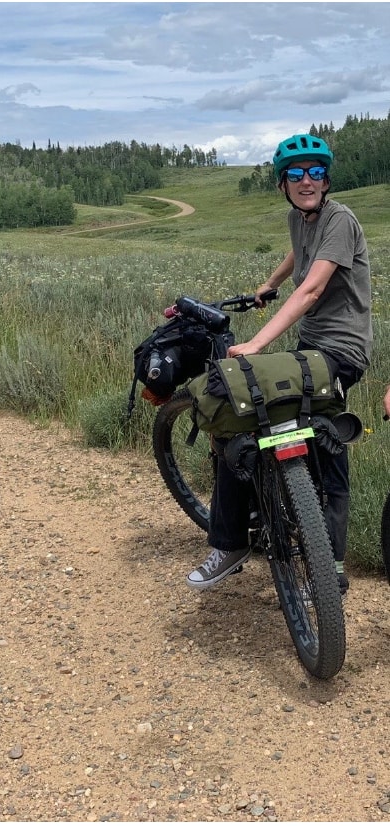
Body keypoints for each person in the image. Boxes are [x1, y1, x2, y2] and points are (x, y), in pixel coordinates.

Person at [186, 132, 372, 597]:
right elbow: (299, 252)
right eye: (295, 174)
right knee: (245, 413)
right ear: (282, 184)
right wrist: (268, 284)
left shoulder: (341, 219)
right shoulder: (300, 217)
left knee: (317, 437)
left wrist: (257, 342)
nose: (306, 181)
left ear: (326, 180)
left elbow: (310, 290)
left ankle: (328, 562)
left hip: (342, 351)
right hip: (309, 346)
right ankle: (236, 539)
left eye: (315, 173)